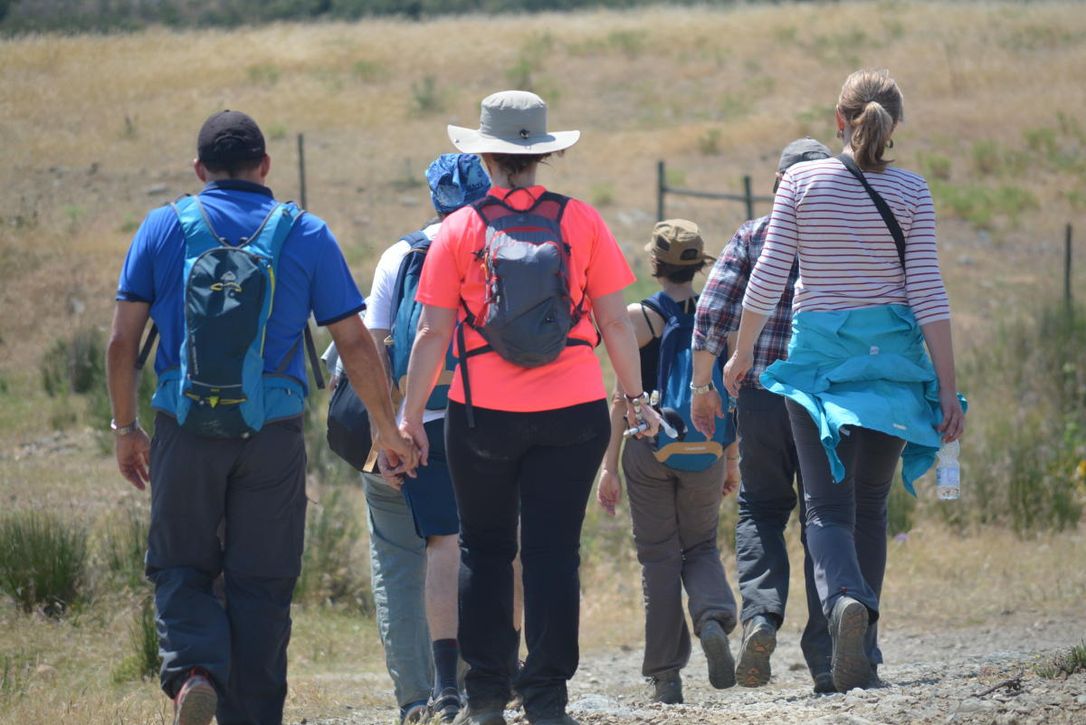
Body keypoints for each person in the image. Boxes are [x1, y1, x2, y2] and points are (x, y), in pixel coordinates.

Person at [106, 110, 416, 725]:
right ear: (265, 166)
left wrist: (125, 429)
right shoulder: (304, 232)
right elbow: (354, 342)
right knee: (263, 582)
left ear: (199, 170)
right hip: (272, 436)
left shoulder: (163, 227)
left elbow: (122, 343)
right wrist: (385, 427)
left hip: (184, 429)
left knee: (181, 564)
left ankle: (194, 671)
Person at [399, 90, 661, 725]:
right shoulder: (582, 222)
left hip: (481, 414)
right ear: (544, 154)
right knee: (551, 554)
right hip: (572, 414)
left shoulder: (459, 229)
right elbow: (616, 326)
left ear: (485, 155)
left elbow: (433, 335)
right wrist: (633, 401)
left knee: (484, 552)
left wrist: (409, 417)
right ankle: (545, 699)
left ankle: (486, 697)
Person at [723, 70, 965, 693]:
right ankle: (866, 649)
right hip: (891, 365)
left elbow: (771, 274)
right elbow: (929, 294)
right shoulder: (913, 190)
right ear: (894, 127)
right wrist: (945, 384)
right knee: (870, 508)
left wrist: (742, 353)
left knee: (825, 509)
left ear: (839, 118)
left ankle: (844, 606)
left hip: (818, 363)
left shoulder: (801, 182)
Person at [323, 153, 492, 724]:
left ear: (433, 198)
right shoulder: (501, 246)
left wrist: (386, 435)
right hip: (486, 428)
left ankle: (417, 700)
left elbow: (366, 350)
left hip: (403, 431)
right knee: (481, 551)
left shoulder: (403, 255)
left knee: (399, 563)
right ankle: (475, 685)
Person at [691, 138, 836, 694]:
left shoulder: (754, 236)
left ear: (779, 185)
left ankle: (759, 619)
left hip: (760, 398)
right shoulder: (845, 242)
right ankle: (826, 655)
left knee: (761, 509)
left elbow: (712, 311)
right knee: (827, 515)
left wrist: (702, 388)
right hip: (829, 401)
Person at [596, 219, 740, 704]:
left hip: (648, 448)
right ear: (699, 267)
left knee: (659, 557)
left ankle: (665, 676)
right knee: (699, 546)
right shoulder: (721, 317)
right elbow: (729, 395)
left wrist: (609, 465)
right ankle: (713, 618)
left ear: (654, 266)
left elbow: (622, 397)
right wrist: (732, 457)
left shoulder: (638, 319)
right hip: (708, 448)